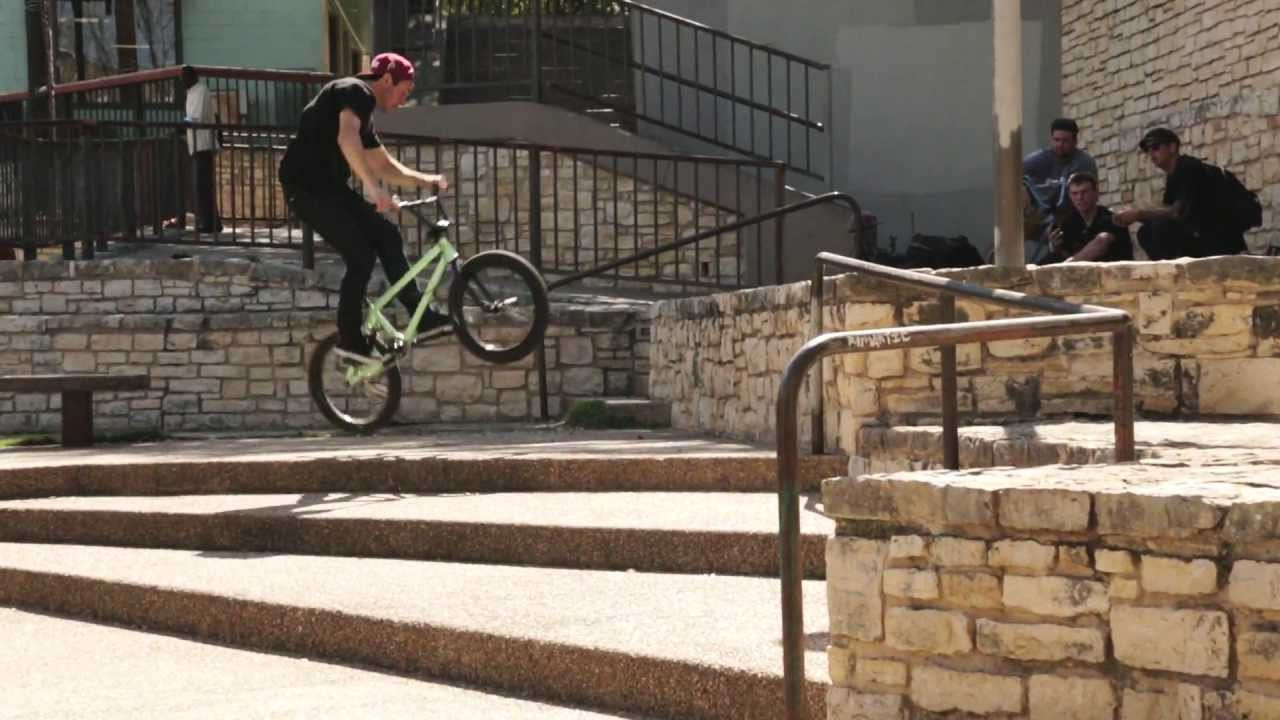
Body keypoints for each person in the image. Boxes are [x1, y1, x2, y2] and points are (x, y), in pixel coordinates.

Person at [279, 52, 450, 362]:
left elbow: (383, 165)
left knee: (386, 234)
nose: (402, 100)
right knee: (360, 255)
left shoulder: (363, 113)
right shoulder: (354, 91)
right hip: (304, 189)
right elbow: (347, 139)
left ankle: (419, 315)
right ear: (386, 80)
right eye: (404, 92)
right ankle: (349, 338)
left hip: (329, 189)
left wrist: (428, 180)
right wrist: (374, 191)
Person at [1113, 127, 1249, 260]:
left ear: (1172, 147)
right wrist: (1133, 216)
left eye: (1155, 147)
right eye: (1148, 151)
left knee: (1156, 229)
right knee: (1148, 230)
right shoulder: (1174, 175)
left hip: (1219, 241)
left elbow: (1177, 213)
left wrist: (1138, 214)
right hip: (1203, 237)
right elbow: (1167, 213)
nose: (1151, 154)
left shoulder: (1187, 168)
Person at [1022, 118, 1098, 261]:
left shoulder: (1084, 162)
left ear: (1075, 141)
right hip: (1040, 213)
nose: (1059, 145)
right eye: (1056, 140)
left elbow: (1088, 192)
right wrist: (1023, 191)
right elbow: (1013, 176)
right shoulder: (1037, 160)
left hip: (1070, 214)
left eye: (1065, 141)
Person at [1044, 172, 1133, 263]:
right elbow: (1067, 254)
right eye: (1075, 193)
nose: (1080, 197)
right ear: (1070, 196)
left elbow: (1101, 243)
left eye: (1084, 192)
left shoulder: (1111, 218)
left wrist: (1067, 266)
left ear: (1096, 193)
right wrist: (1056, 249)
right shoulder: (1070, 222)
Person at [182, 66, 222, 234]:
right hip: (198, 143)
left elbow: (195, 117)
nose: (182, 81)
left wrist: (182, 122)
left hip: (202, 144)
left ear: (192, 77)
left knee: (203, 185)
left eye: (184, 77)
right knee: (203, 185)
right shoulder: (194, 91)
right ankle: (213, 222)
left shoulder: (200, 91)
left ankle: (209, 223)